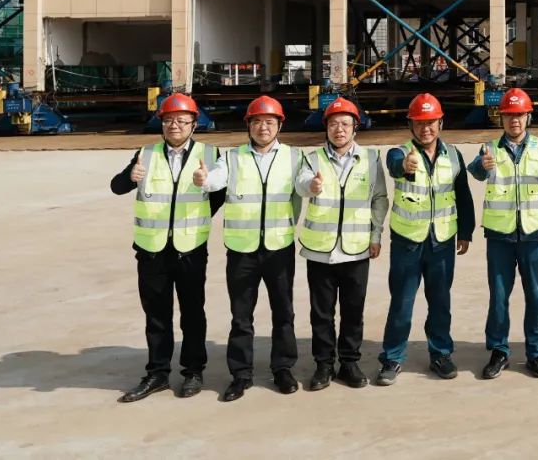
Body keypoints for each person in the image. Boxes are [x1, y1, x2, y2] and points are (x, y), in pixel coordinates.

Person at [109, 93, 222, 402]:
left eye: (182, 121)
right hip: (152, 250)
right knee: (156, 315)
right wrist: (130, 176)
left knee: (192, 314)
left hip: (190, 249)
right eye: (169, 120)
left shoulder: (210, 154)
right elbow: (117, 187)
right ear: (161, 123)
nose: (175, 126)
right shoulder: (146, 154)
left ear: (194, 124)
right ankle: (157, 373)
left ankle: (193, 372)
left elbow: (218, 196)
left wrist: (193, 220)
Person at [194, 95, 301, 401]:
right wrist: (203, 179)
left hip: (279, 247)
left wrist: (313, 186)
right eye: (257, 122)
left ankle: (283, 368)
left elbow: (305, 183)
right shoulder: (232, 158)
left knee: (284, 312)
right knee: (241, 316)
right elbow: (215, 180)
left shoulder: (293, 157)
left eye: (269, 122)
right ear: (248, 126)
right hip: (242, 250)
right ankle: (241, 375)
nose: (263, 127)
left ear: (279, 125)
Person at [377, 93, 475, 386]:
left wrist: (466, 231)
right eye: (419, 123)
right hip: (408, 242)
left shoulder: (453, 155)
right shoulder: (399, 152)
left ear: (440, 123)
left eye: (431, 122)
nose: (426, 128)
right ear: (411, 125)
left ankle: (441, 354)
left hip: (442, 241)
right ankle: (392, 358)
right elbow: (396, 165)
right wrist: (404, 167)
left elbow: (463, 194)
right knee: (402, 303)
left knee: (440, 302)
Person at [294, 97, 389, 391]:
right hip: (320, 250)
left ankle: (349, 362)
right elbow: (301, 184)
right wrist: (311, 185)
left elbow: (379, 198)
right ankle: (324, 365)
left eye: (345, 124)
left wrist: (375, 235)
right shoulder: (312, 159)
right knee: (321, 313)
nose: (339, 129)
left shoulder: (371, 159)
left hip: (356, 249)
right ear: (326, 127)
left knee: (352, 311)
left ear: (355, 128)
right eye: (334, 124)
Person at [467, 88, 538, 379]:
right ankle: (499, 351)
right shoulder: (489, 149)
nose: (514, 121)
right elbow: (476, 172)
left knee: (536, 295)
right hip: (500, 235)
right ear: (501, 118)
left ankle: (536, 353)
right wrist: (481, 166)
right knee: (498, 296)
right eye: (509, 115)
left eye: (519, 115)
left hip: (533, 233)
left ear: (528, 116)